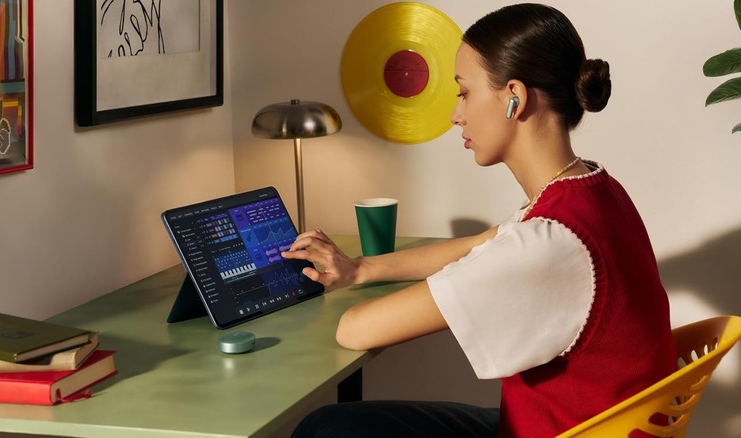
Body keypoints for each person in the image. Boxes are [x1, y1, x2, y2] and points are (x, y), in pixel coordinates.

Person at [284, 3, 676, 437]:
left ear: (514, 97)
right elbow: (489, 241)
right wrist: (361, 269)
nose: (456, 113)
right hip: (577, 424)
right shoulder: (594, 190)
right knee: (340, 422)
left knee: (330, 429)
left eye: (464, 92)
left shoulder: (550, 242)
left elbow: (356, 330)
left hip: (558, 431)